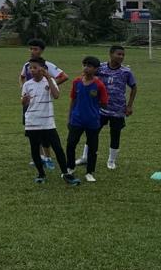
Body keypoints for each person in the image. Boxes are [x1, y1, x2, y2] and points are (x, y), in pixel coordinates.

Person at [22, 57, 79, 186]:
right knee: (35, 149)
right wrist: (24, 100)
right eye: (30, 68)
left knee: (58, 148)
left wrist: (48, 78)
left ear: (43, 69)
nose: (32, 70)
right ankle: (41, 174)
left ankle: (65, 173)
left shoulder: (50, 81)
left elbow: (56, 95)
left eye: (35, 67)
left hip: (48, 123)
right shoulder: (27, 84)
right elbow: (23, 102)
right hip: (32, 122)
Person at [78, 45, 137, 171]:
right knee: (92, 132)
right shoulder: (100, 68)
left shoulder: (126, 71)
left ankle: (111, 160)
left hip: (118, 109)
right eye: (118, 54)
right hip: (100, 108)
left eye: (123, 55)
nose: (121, 57)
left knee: (115, 134)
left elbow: (134, 87)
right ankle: (85, 157)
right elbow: (86, 76)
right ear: (110, 54)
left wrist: (129, 105)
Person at [19, 38, 69, 169]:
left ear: (41, 51)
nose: (32, 51)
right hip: (30, 103)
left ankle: (48, 157)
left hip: (43, 105)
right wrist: (24, 89)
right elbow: (22, 76)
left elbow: (64, 76)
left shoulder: (47, 65)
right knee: (33, 131)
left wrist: (49, 86)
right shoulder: (27, 65)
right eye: (31, 48)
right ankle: (40, 157)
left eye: (35, 49)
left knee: (45, 133)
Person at [66, 56, 108, 183]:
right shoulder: (77, 82)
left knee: (92, 148)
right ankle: (70, 167)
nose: (86, 68)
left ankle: (90, 172)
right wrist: (69, 117)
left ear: (96, 69)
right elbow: (73, 99)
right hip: (76, 119)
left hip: (92, 121)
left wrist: (93, 106)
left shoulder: (99, 85)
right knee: (71, 144)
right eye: (84, 65)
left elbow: (104, 103)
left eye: (89, 66)